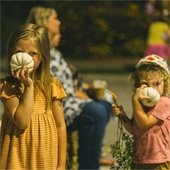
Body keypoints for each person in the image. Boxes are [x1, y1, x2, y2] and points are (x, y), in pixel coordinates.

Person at [26, 6, 113, 169]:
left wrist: (87, 91)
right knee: (97, 112)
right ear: (44, 21)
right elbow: (56, 87)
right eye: (55, 18)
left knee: (105, 103)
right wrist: (83, 96)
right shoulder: (39, 51)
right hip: (56, 103)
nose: (59, 22)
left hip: (68, 97)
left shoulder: (53, 50)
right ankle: (88, 165)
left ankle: (93, 154)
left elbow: (69, 81)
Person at [0, 23, 67, 169]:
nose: (25, 58)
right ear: (11, 53)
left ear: (43, 56)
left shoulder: (51, 86)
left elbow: (60, 126)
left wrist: (61, 165)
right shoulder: (8, 87)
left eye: (32, 53)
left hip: (45, 157)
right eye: (20, 52)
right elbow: (22, 121)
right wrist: (29, 86)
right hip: (17, 156)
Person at [112, 54, 170, 170]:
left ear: (166, 84)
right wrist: (121, 115)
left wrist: (135, 100)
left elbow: (145, 123)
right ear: (138, 86)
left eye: (156, 84)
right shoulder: (141, 105)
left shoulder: (164, 102)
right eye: (146, 85)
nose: (152, 89)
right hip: (140, 159)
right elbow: (135, 129)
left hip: (159, 161)